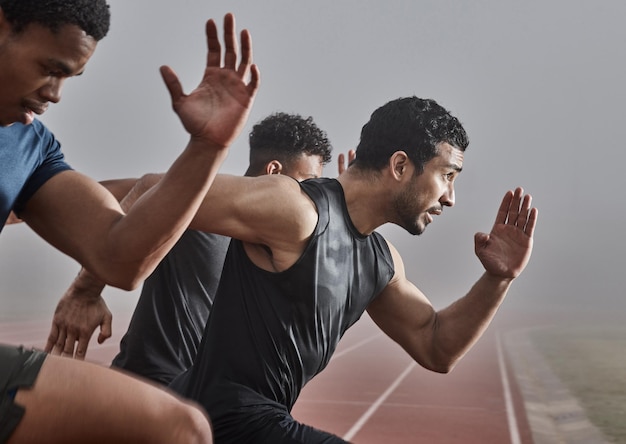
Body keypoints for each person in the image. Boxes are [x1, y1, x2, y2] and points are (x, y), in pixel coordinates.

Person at [152, 96, 535, 443]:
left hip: (256, 426)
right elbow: (156, 191)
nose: (450, 198)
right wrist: (92, 284)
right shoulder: (297, 211)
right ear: (400, 165)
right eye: (447, 175)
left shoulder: (379, 262)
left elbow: (436, 346)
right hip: (215, 419)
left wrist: (497, 278)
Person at [0, 1, 259, 441]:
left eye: (69, 77)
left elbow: (119, 258)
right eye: (50, 68)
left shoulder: (28, 146)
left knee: (181, 428)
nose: (56, 93)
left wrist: (208, 148)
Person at [52, 112, 335, 385]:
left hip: (212, 396)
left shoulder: (282, 243)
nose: (312, 196)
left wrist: (353, 220)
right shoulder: (201, 205)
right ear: (274, 172)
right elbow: (142, 187)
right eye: (308, 183)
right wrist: (85, 291)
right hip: (154, 384)